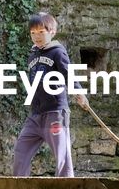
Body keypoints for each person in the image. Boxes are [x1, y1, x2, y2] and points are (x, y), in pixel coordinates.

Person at [12, 11, 79, 177]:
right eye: (33, 33)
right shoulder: (32, 55)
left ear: (52, 32)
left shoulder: (57, 52)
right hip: (35, 114)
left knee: (62, 156)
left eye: (41, 32)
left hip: (55, 113)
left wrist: (78, 92)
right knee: (21, 149)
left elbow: (68, 73)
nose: (37, 36)